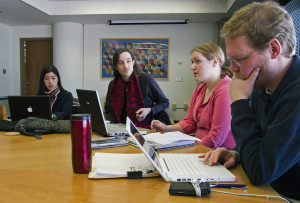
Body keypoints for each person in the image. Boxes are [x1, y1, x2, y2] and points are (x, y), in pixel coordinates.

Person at [199, 1, 300, 201]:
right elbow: (263, 143)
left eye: (239, 59)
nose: (233, 68)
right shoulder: (261, 84)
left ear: (273, 49)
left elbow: (260, 171)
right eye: (230, 60)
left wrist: (239, 102)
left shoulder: (295, 95)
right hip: (269, 191)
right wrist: (235, 153)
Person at [151, 43, 236, 150]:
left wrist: (190, 150)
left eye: (198, 61)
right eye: (192, 62)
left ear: (215, 61)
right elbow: (189, 122)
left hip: (217, 156)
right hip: (201, 150)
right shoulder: (200, 89)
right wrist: (166, 128)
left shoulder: (225, 90)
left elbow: (216, 138)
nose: (192, 67)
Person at [105, 48, 169, 129]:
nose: (125, 66)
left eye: (128, 61)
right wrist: (111, 127)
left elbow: (165, 102)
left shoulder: (146, 80)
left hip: (144, 129)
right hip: (119, 130)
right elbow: (109, 109)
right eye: (121, 63)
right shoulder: (113, 84)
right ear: (116, 67)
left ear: (133, 62)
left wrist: (149, 110)